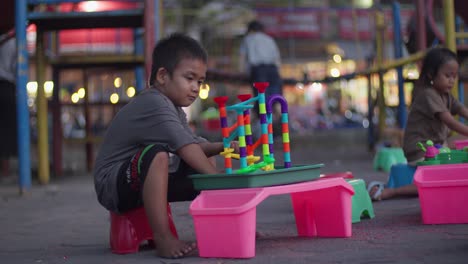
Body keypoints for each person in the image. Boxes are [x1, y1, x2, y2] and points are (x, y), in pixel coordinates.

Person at [94, 33, 238, 258]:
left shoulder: (174, 108)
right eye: (189, 78)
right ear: (163, 76)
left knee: (202, 158)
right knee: (159, 155)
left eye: (200, 81)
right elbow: (186, 148)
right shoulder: (153, 103)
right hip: (113, 185)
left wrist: (226, 146)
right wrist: (223, 184)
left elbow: (194, 144)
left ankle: (225, 225)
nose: (195, 88)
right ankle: (163, 238)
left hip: (142, 178)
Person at [368, 47, 468, 201]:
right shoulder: (428, 94)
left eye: (454, 76)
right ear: (431, 74)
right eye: (447, 76)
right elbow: (450, 121)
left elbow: (461, 110)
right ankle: (391, 192)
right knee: (435, 180)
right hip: (419, 149)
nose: (452, 81)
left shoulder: (445, 95)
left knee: (458, 155)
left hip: (437, 147)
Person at [239, 20, 283, 114]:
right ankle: (281, 122)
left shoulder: (248, 39)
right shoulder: (269, 39)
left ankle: (263, 123)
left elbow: (242, 57)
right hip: (273, 70)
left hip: (259, 70)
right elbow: (277, 58)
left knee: (262, 98)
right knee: (275, 97)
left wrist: (242, 72)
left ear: (250, 30)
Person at [0, 35, 17, 177]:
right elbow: (16, 66)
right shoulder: (14, 42)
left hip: (5, 83)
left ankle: (4, 169)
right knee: (7, 129)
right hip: (7, 85)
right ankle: (5, 170)